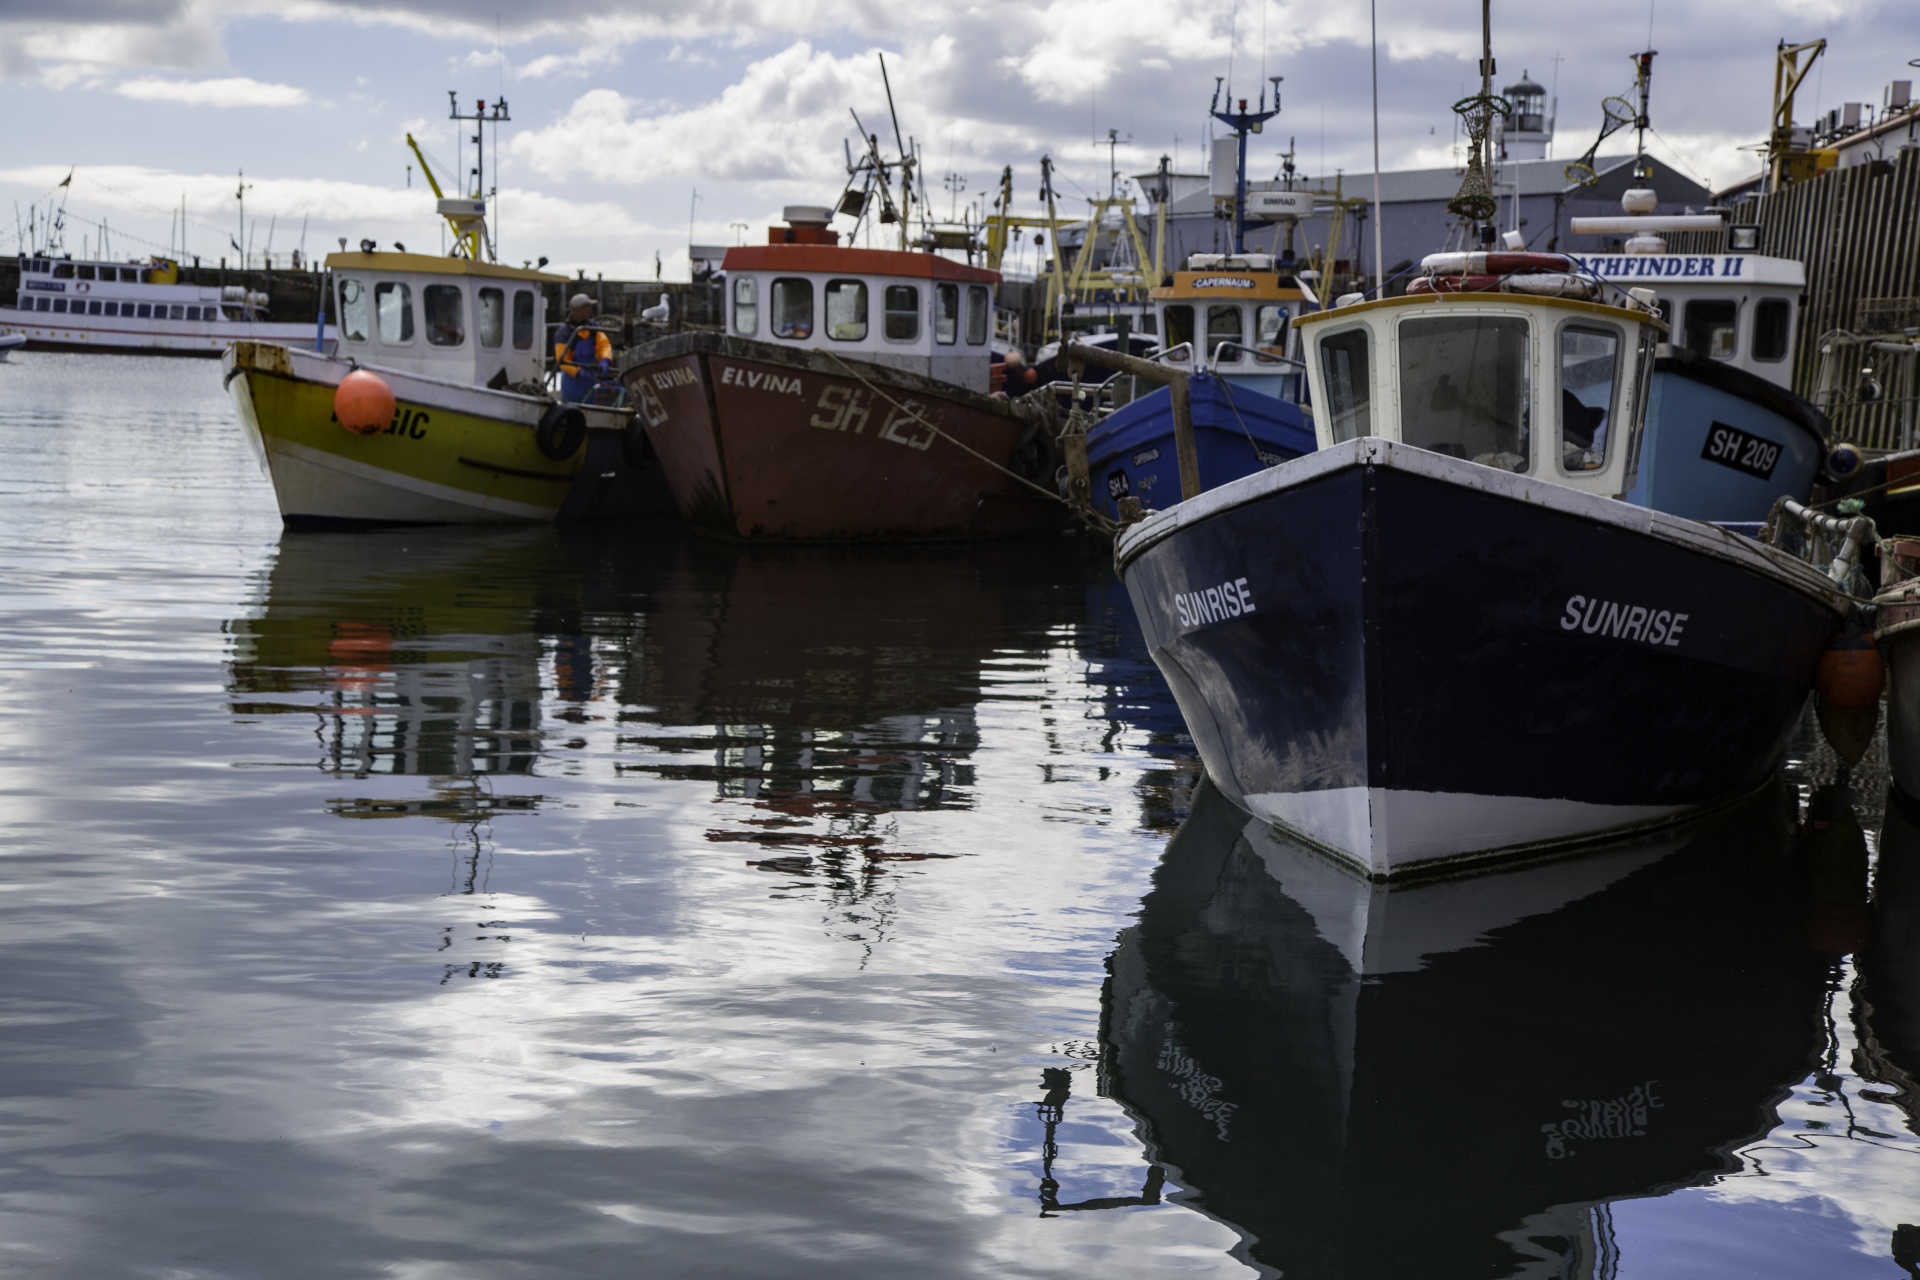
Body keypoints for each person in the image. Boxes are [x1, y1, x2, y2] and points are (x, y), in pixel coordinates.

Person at [555, 293, 612, 404]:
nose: (590, 310)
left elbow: (604, 344)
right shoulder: (564, 332)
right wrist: (578, 372)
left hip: (590, 381)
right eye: (587, 308)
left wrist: (605, 360)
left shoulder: (593, 327)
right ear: (578, 310)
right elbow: (561, 359)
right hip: (572, 383)